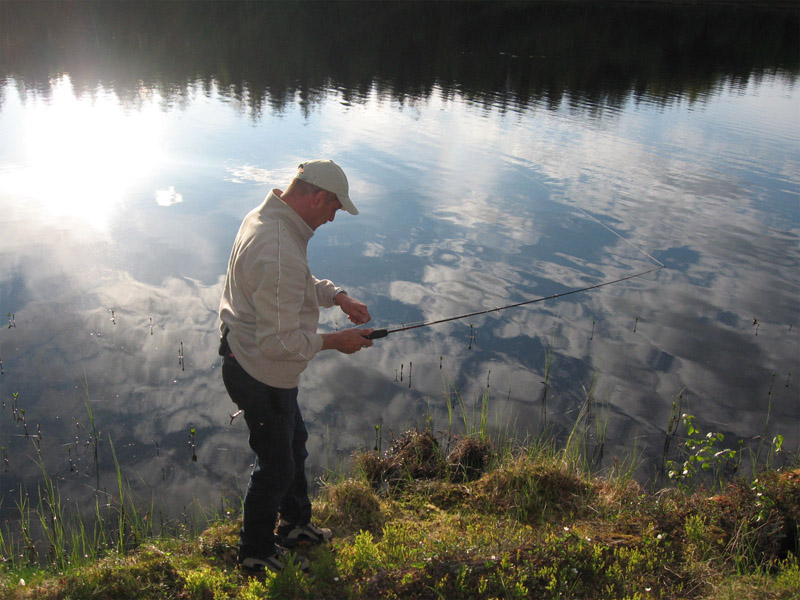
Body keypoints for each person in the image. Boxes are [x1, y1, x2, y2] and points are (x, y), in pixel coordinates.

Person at [218, 159, 373, 573]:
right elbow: (278, 341)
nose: (332, 218)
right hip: (259, 369)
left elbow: (293, 285)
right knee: (277, 463)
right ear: (318, 196)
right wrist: (335, 342)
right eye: (334, 209)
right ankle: (255, 551)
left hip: (249, 357)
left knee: (293, 442)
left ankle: (295, 527)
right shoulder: (279, 246)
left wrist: (337, 296)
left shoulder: (269, 217)